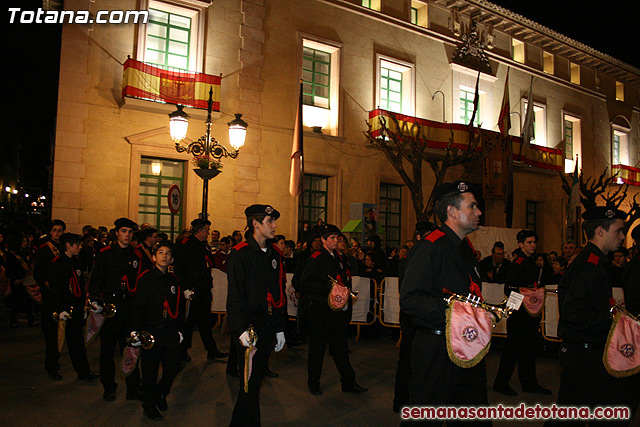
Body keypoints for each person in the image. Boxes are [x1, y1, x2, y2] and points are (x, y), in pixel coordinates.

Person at [400, 181, 490, 425]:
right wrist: (459, 313)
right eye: (472, 206)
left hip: (468, 345)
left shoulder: (464, 249)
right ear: (451, 211)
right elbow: (410, 299)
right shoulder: (430, 247)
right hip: (437, 347)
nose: (479, 212)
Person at [546, 207, 629, 427]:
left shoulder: (596, 262)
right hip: (584, 355)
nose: (622, 237)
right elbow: (575, 312)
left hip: (590, 351)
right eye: (618, 231)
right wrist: (613, 320)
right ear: (600, 231)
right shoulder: (589, 266)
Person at [226, 204, 287, 426]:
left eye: (274, 221)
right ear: (255, 224)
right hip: (248, 327)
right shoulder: (240, 253)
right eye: (269, 221)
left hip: (267, 324)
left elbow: (278, 292)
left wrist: (280, 328)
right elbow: (235, 296)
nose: (274, 226)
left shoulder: (274, 254)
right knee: (249, 383)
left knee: (255, 381)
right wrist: (239, 329)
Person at [302, 224, 367, 396]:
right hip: (320, 310)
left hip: (338, 311)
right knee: (317, 348)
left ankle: (348, 382)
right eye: (331, 238)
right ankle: (313, 382)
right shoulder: (316, 258)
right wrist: (329, 288)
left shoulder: (340, 257)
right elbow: (305, 283)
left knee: (340, 347)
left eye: (337, 238)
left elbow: (346, 279)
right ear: (323, 240)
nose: (335, 241)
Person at [89, 217, 142, 401]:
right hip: (111, 308)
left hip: (129, 308)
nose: (127, 235)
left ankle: (133, 388)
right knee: (107, 351)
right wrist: (96, 300)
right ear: (117, 233)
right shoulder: (106, 254)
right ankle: (109, 386)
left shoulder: (137, 256)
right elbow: (96, 279)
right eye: (123, 231)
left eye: (130, 232)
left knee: (131, 348)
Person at [493, 229, 551, 396]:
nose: (533, 245)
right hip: (520, 313)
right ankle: (501, 383)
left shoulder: (529, 261)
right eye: (529, 242)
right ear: (520, 244)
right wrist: (519, 306)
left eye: (534, 242)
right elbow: (509, 287)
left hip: (528, 313)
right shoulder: (519, 262)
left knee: (529, 350)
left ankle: (529, 383)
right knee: (513, 350)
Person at [133, 241, 184, 421]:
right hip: (151, 330)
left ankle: (161, 393)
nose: (164, 256)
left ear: (172, 259)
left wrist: (179, 329)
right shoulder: (146, 278)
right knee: (150, 371)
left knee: (173, 366)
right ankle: (149, 405)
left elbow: (178, 305)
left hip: (169, 331)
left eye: (168, 253)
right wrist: (136, 331)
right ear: (154, 257)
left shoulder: (173, 280)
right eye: (160, 253)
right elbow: (139, 306)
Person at [393, 221, 435, 413]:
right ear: (420, 237)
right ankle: (402, 400)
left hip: (419, 316)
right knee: (407, 360)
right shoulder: (412, 259)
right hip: (411, 316)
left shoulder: (425, 256)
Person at [174, 219, 227, 361]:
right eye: (207, 230)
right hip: (192, 290)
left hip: (203, 289)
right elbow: (179, 269)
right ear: (200, 230)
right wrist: (184, 288)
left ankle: (211, 350)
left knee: (205, 321)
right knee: (188, 322)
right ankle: (182, 351)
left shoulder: (204, 246)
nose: (208, 233)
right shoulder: (186, 245)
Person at [48, 233, 98, 383]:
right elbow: (55, 289)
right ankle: (52, 368)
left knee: (77, 341)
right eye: (77, 244)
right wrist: (59, 309)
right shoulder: (57, 264)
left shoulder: (77, 262)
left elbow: (80, 287)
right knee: (55, 341)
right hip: (62, 310)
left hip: (76, 308)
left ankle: (83, 371)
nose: (80, 247)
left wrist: (83, 306)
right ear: (68, 246)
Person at [33, 219, 65, 379]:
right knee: (52, 334)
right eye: (55, 230)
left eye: (60, 230)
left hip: (64, 294)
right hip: (51, 295)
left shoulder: (65, 247)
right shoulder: (44, 249)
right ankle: (52, 366)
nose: (58, 233)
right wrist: (46, 283)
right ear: (50, 232)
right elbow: (38, 272)